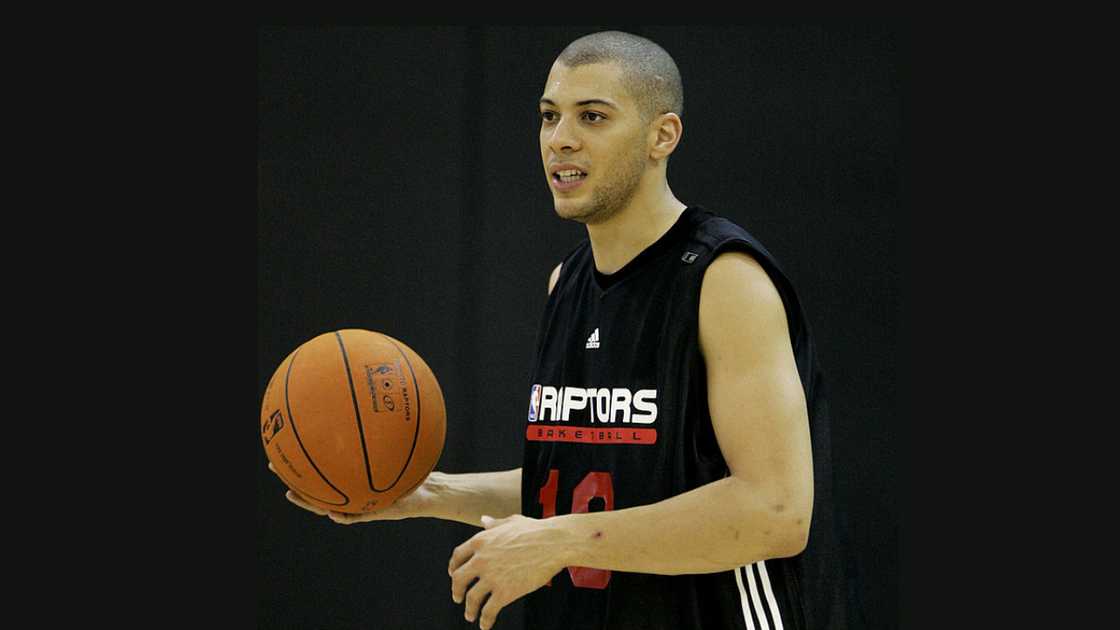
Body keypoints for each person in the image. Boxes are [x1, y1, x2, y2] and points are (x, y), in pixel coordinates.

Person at [277, 30, 850, 630]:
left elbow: (777, 512)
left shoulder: (723, 279)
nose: (561, 139)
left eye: (593, 116)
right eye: (549, 116)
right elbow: (584, 485)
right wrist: (431, 495)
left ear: (663, 136)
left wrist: (562, 541)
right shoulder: (568, 282)